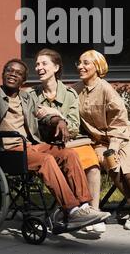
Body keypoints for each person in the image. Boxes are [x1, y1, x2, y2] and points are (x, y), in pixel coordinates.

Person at [0, 43, 110, 234]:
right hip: (5, 151)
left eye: (18, 73)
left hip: (30, 146)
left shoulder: (28, 98)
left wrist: (59, 120)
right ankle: (71, 210)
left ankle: (84, 206)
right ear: (3, 74)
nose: (13, 74)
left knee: (68, 154)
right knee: (47, 160)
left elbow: (43, 114)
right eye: (9, 70)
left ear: (23, 80)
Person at [73, 50, 130, 241]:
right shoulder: (75, 89)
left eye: (86, 63)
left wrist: (112, 147)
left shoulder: (105, 89)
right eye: (79, 63)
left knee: (129, 170)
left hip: (123, 136)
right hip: (99, 141)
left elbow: (120, 121)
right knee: (110, 166)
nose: (80, 67)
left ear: (97, 67)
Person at [29, 49, 105, 233]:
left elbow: (72, 127)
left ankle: (92, 212)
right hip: (46, 145)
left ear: (55, 67)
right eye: (37, 64)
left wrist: (56, 114)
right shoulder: (31, 95)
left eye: (44, 64)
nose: (39, 68)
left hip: (70, 141)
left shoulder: (69, 94)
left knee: (91, 164)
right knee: (60, 158)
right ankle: (75, 210)